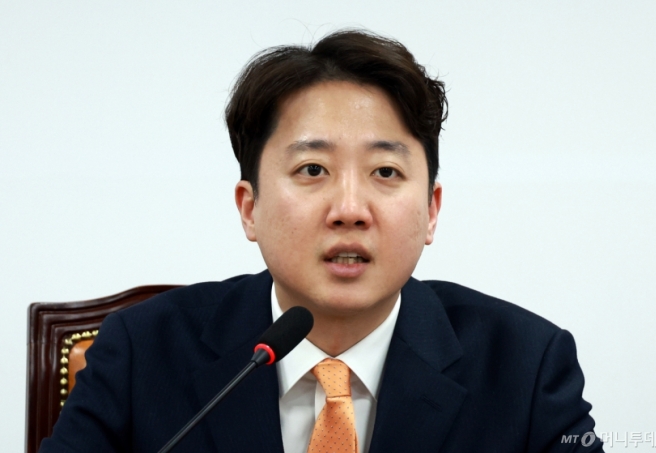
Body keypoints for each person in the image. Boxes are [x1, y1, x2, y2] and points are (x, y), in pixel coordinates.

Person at [40, 30, 603, 453]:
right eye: (312, 170)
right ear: (250, 208)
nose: (350, 210)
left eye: (385, 172)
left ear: (431, 211)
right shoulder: (141, 353)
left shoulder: (525, 368)